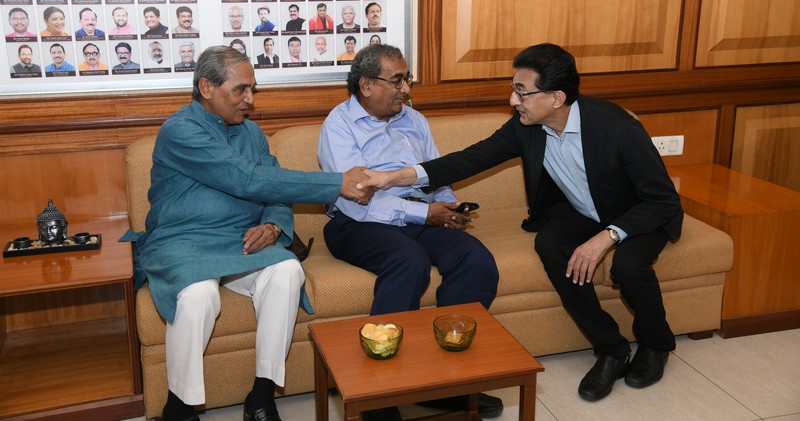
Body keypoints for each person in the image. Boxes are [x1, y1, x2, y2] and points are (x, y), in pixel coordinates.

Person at [359, 43, 684, 403]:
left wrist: (607, 236)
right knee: (550, 244)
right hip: (582, 212)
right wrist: (393, 178)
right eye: (513, 89)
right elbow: (467, 160)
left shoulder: (617, 127)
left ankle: (656, 344)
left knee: (629, 264)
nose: (513, 101)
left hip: (640, 213)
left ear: (557, 98)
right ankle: (611, 348)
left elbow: (662, 200)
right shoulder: (526, 127)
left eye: (522, 92)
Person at [132, 45, 371, 421]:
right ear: (206, 87)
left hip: (239, 240)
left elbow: (273, 188)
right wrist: (336, 183)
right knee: (197, 294)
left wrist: (273, 225)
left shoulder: (251, 133)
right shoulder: (179, 130)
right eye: (240, 89)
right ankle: (178, 408)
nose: (250, 99)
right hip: (182, 241)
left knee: (287, 270)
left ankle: (261, 397)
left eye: (252, 89)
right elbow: (246, 179)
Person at [318, 44, 502, 420]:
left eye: (407, 79)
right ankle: (379, 396)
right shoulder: (339, 125)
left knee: (475, 258)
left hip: (418, 216)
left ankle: (445, 383)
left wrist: (448, 207)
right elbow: (356, 198)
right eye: (397, 80)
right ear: (366, 85)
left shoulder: (414, 120)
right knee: (409, 261)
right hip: (359, 223)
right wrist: (424, 213)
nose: (405, 89)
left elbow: (435, 173)